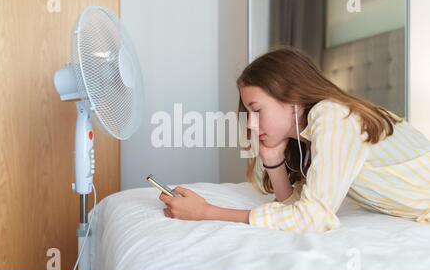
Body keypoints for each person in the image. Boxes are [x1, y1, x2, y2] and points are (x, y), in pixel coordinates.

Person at [159, 46, 430, 233]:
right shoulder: (307, 138)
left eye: (256, 110)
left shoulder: (333, 116)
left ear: (292, 100)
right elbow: (294, 209)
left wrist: (207, 212)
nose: (251, 124)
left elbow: (313, 219)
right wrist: (274, 161)